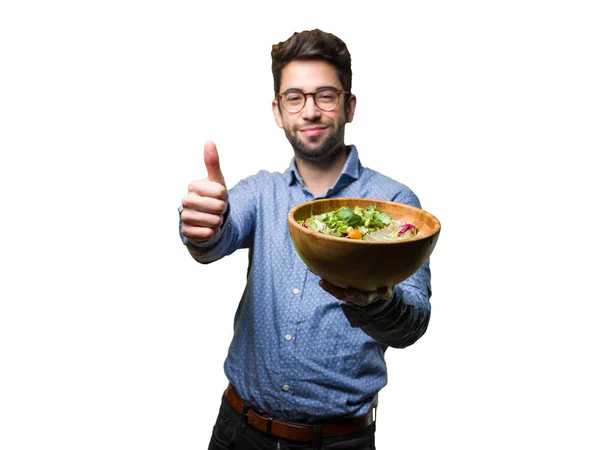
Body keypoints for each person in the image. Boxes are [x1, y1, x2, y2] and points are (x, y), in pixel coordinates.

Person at [179, 29, 432, 450]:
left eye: (325, 96)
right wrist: (200, 225)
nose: (310, 110)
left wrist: (378, 301)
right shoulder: (260, 193)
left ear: (349, 106)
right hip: (238, 432)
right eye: (294, 97)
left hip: (337, 442)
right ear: (278, 112)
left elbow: (413, 323)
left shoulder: (395, 204)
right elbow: (214, 238)